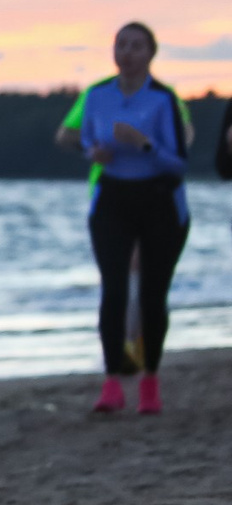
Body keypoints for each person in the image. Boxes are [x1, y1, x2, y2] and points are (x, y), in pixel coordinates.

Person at [54, 22, 193, 414]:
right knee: (113, 289)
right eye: (121, 45)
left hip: (159, 200)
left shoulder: (164, 99)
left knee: (152, 293)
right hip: (112, 198)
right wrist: (90, 151)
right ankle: (112, 382)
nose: (128, 53)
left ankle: (150, 381)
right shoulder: (97, 96)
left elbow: (179, 164)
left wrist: (143, 143)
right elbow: (72, 137)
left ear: (151, 53)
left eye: (136, 46)